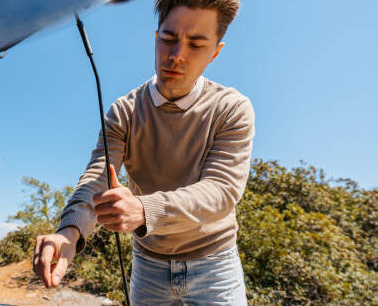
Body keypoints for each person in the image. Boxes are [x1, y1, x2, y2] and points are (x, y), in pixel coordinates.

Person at [33, 0, 254, 304]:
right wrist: (68, 232)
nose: (176, 56)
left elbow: (221, 191)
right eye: (169, 39)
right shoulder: (123, 111)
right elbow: (97, 177)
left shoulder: (231, 109)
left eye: (196, 45)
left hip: (215, 262)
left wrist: (145, 209)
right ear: (156, 36)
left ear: (215, 51)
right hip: (149, 265)